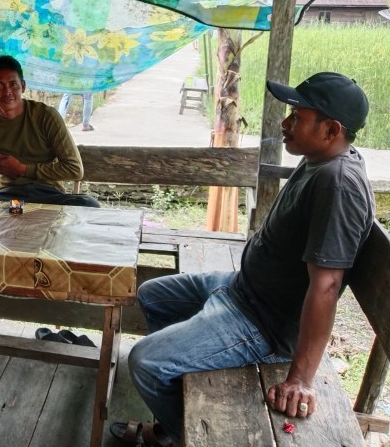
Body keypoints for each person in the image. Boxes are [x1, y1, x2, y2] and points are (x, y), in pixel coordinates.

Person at [120, 72, 374, 446]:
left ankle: (180, 434)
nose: (285, 123)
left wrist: (301, 379)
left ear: (331, 129)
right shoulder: (321, 159)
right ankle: (178, 409)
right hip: (242, 289)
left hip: (261, 322)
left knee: (146, 362)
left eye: (297, 117)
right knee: (153, 294)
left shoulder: (338, 185)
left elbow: (327, 285)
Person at [0, 55, 99, 207]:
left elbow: (75, 169)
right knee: (9, 214)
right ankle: (9, 217)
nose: (7, 91)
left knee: (89, 205)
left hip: (50, 197)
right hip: (12, 199)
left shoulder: (46, 116)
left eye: (13, 84)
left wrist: (23, 169)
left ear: (23, 86)